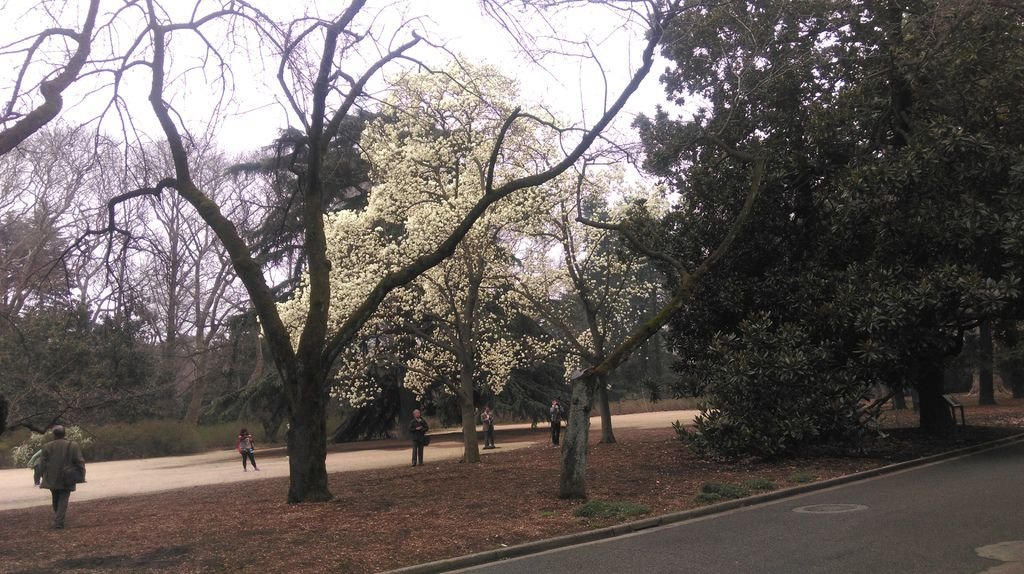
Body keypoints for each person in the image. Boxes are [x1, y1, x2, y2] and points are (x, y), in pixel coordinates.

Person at [39, 425, 85, 529]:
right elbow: (79, 461)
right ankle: (59, 521)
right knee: (63, 499)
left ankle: (58, 519)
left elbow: (42, 464)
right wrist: (81, 474)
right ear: (64, 434)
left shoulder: (47, 446)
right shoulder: (73, 445)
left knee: (55, 498)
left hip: (52, 477)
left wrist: (43, 475)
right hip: (68, 476)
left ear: (54, 434)